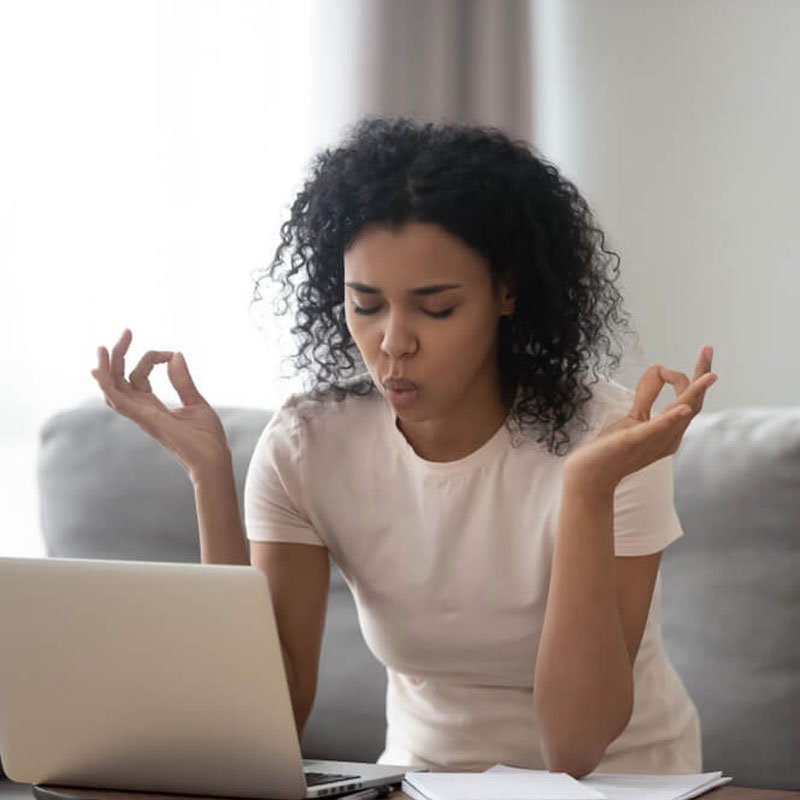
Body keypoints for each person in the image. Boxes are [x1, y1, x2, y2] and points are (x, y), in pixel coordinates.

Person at [91, 116, 718, 778]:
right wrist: (210, 478)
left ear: (507, 292)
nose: (393, 342)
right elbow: (260, 720)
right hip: (419, 783)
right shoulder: (308, 447)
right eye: (365, 305)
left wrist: (587, 491)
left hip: (626, 785)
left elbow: (574, 747)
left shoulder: (612, 438)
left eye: (436, 308)